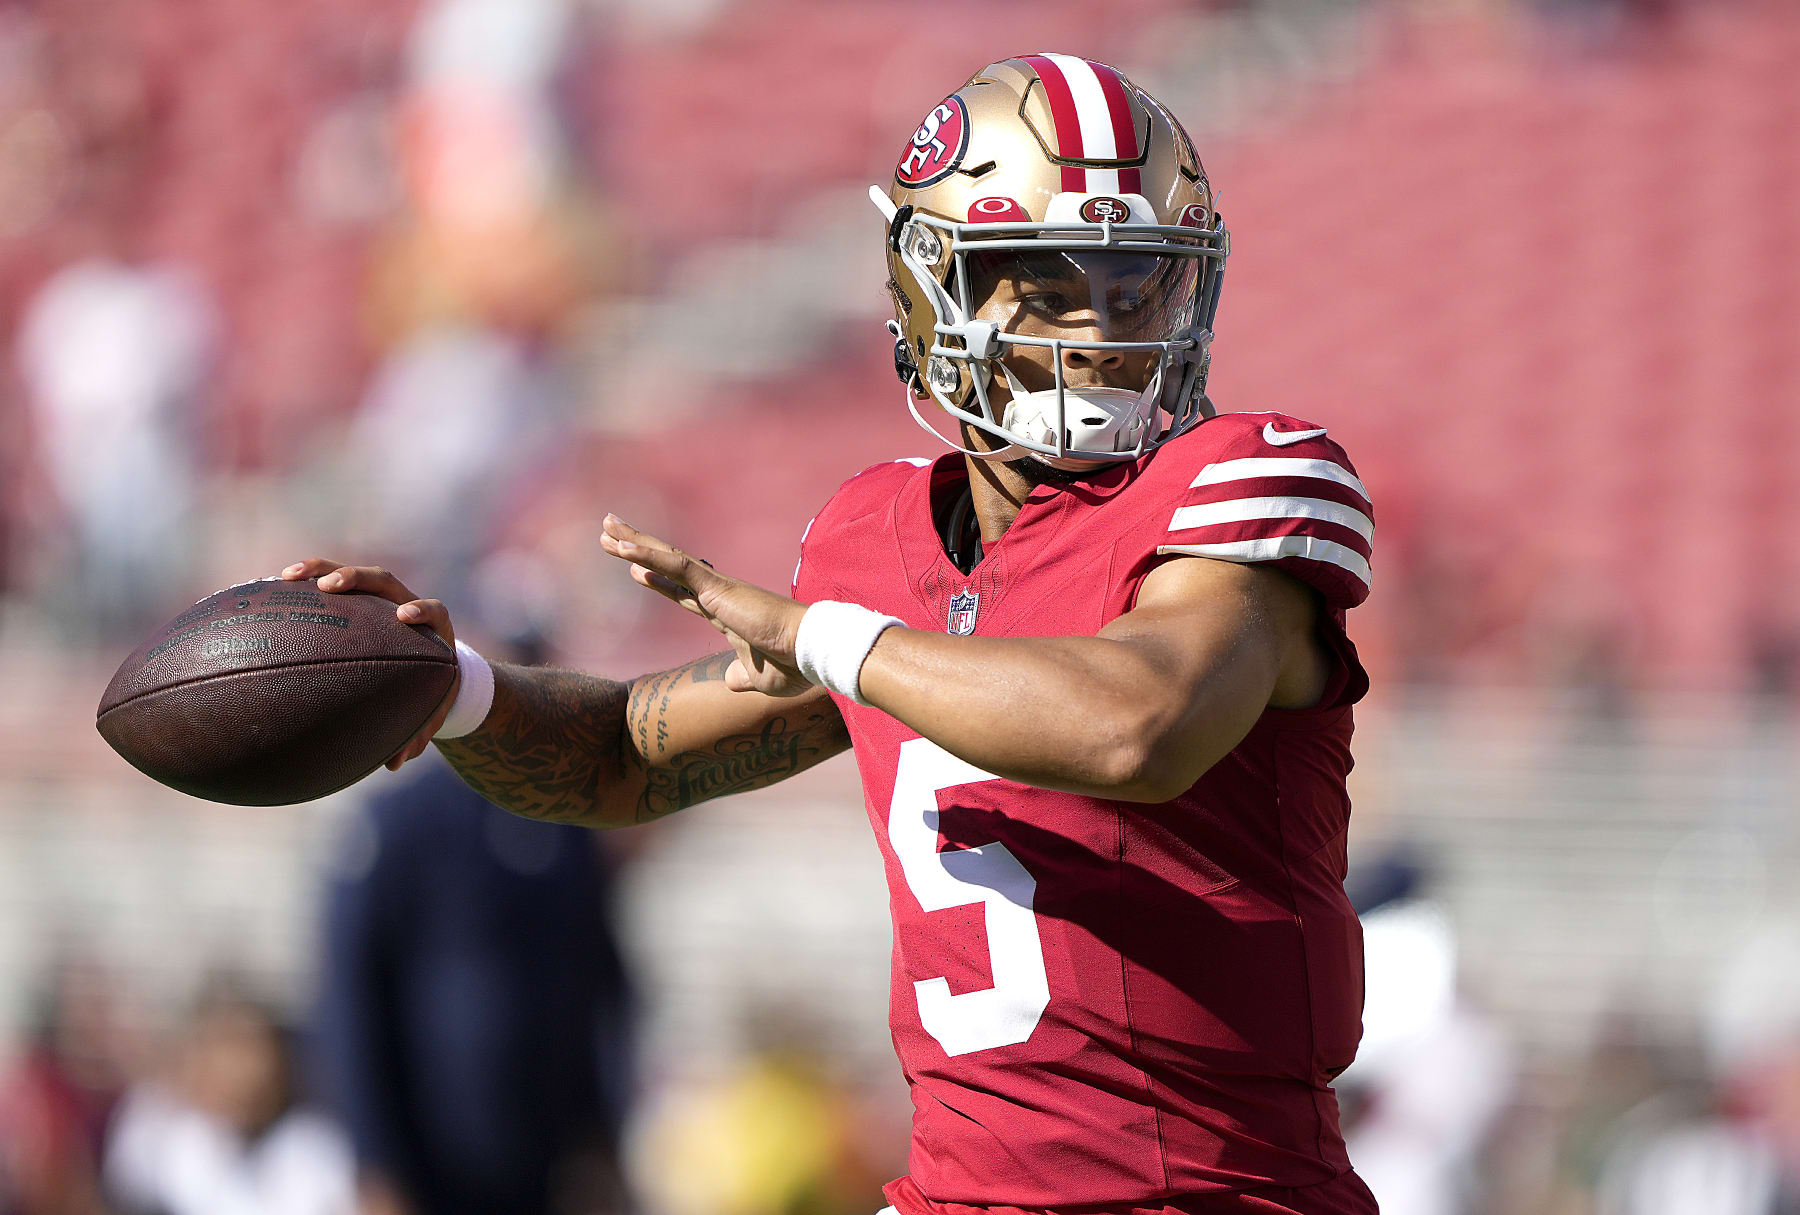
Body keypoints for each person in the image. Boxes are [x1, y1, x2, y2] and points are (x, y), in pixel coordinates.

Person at [285, 53, 1378, 1215]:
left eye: (1136, 285)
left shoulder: (1242, 482)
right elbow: (620, 757)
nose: (1105, 331)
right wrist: (444, 685)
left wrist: (835, 640)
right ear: (933, 291)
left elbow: (1140, 723)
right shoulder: (877, 538)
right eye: (1053, 284)